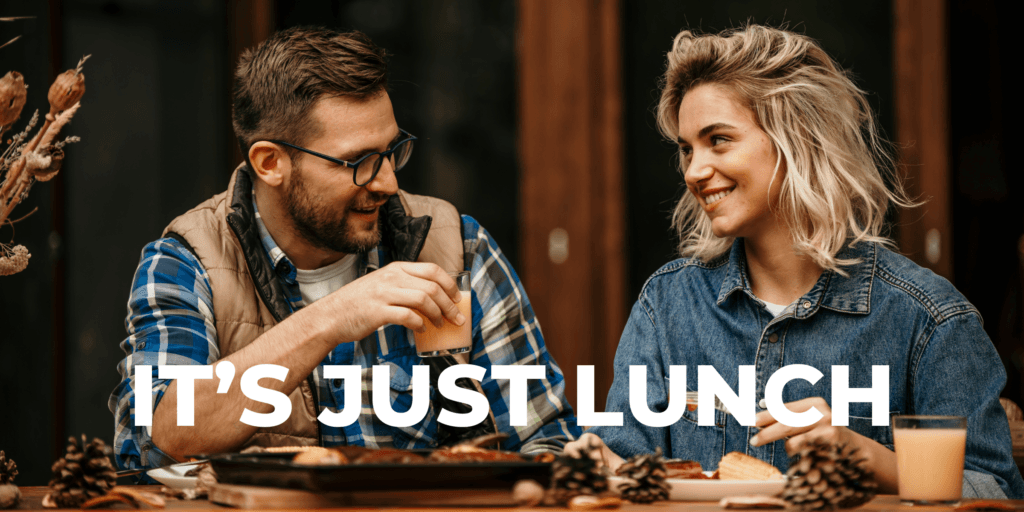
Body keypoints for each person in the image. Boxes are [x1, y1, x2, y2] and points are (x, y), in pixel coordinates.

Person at [565, 25, 1024, 499]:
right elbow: (626, 472)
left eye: (718, 140)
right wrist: (604, 469)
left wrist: (871, 459)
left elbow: (996, 492)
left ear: (798, 137)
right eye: (686, 150)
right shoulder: (666, 306)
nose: (694, 171)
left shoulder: (928, 319)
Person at [109, 26, 580, 475]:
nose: (388, 182)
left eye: (391, 151)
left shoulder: (457, 246)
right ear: (270, 163)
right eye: (359, 161)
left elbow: (545, 439)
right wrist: (331, 319)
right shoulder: (187, 262)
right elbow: (158, 441)